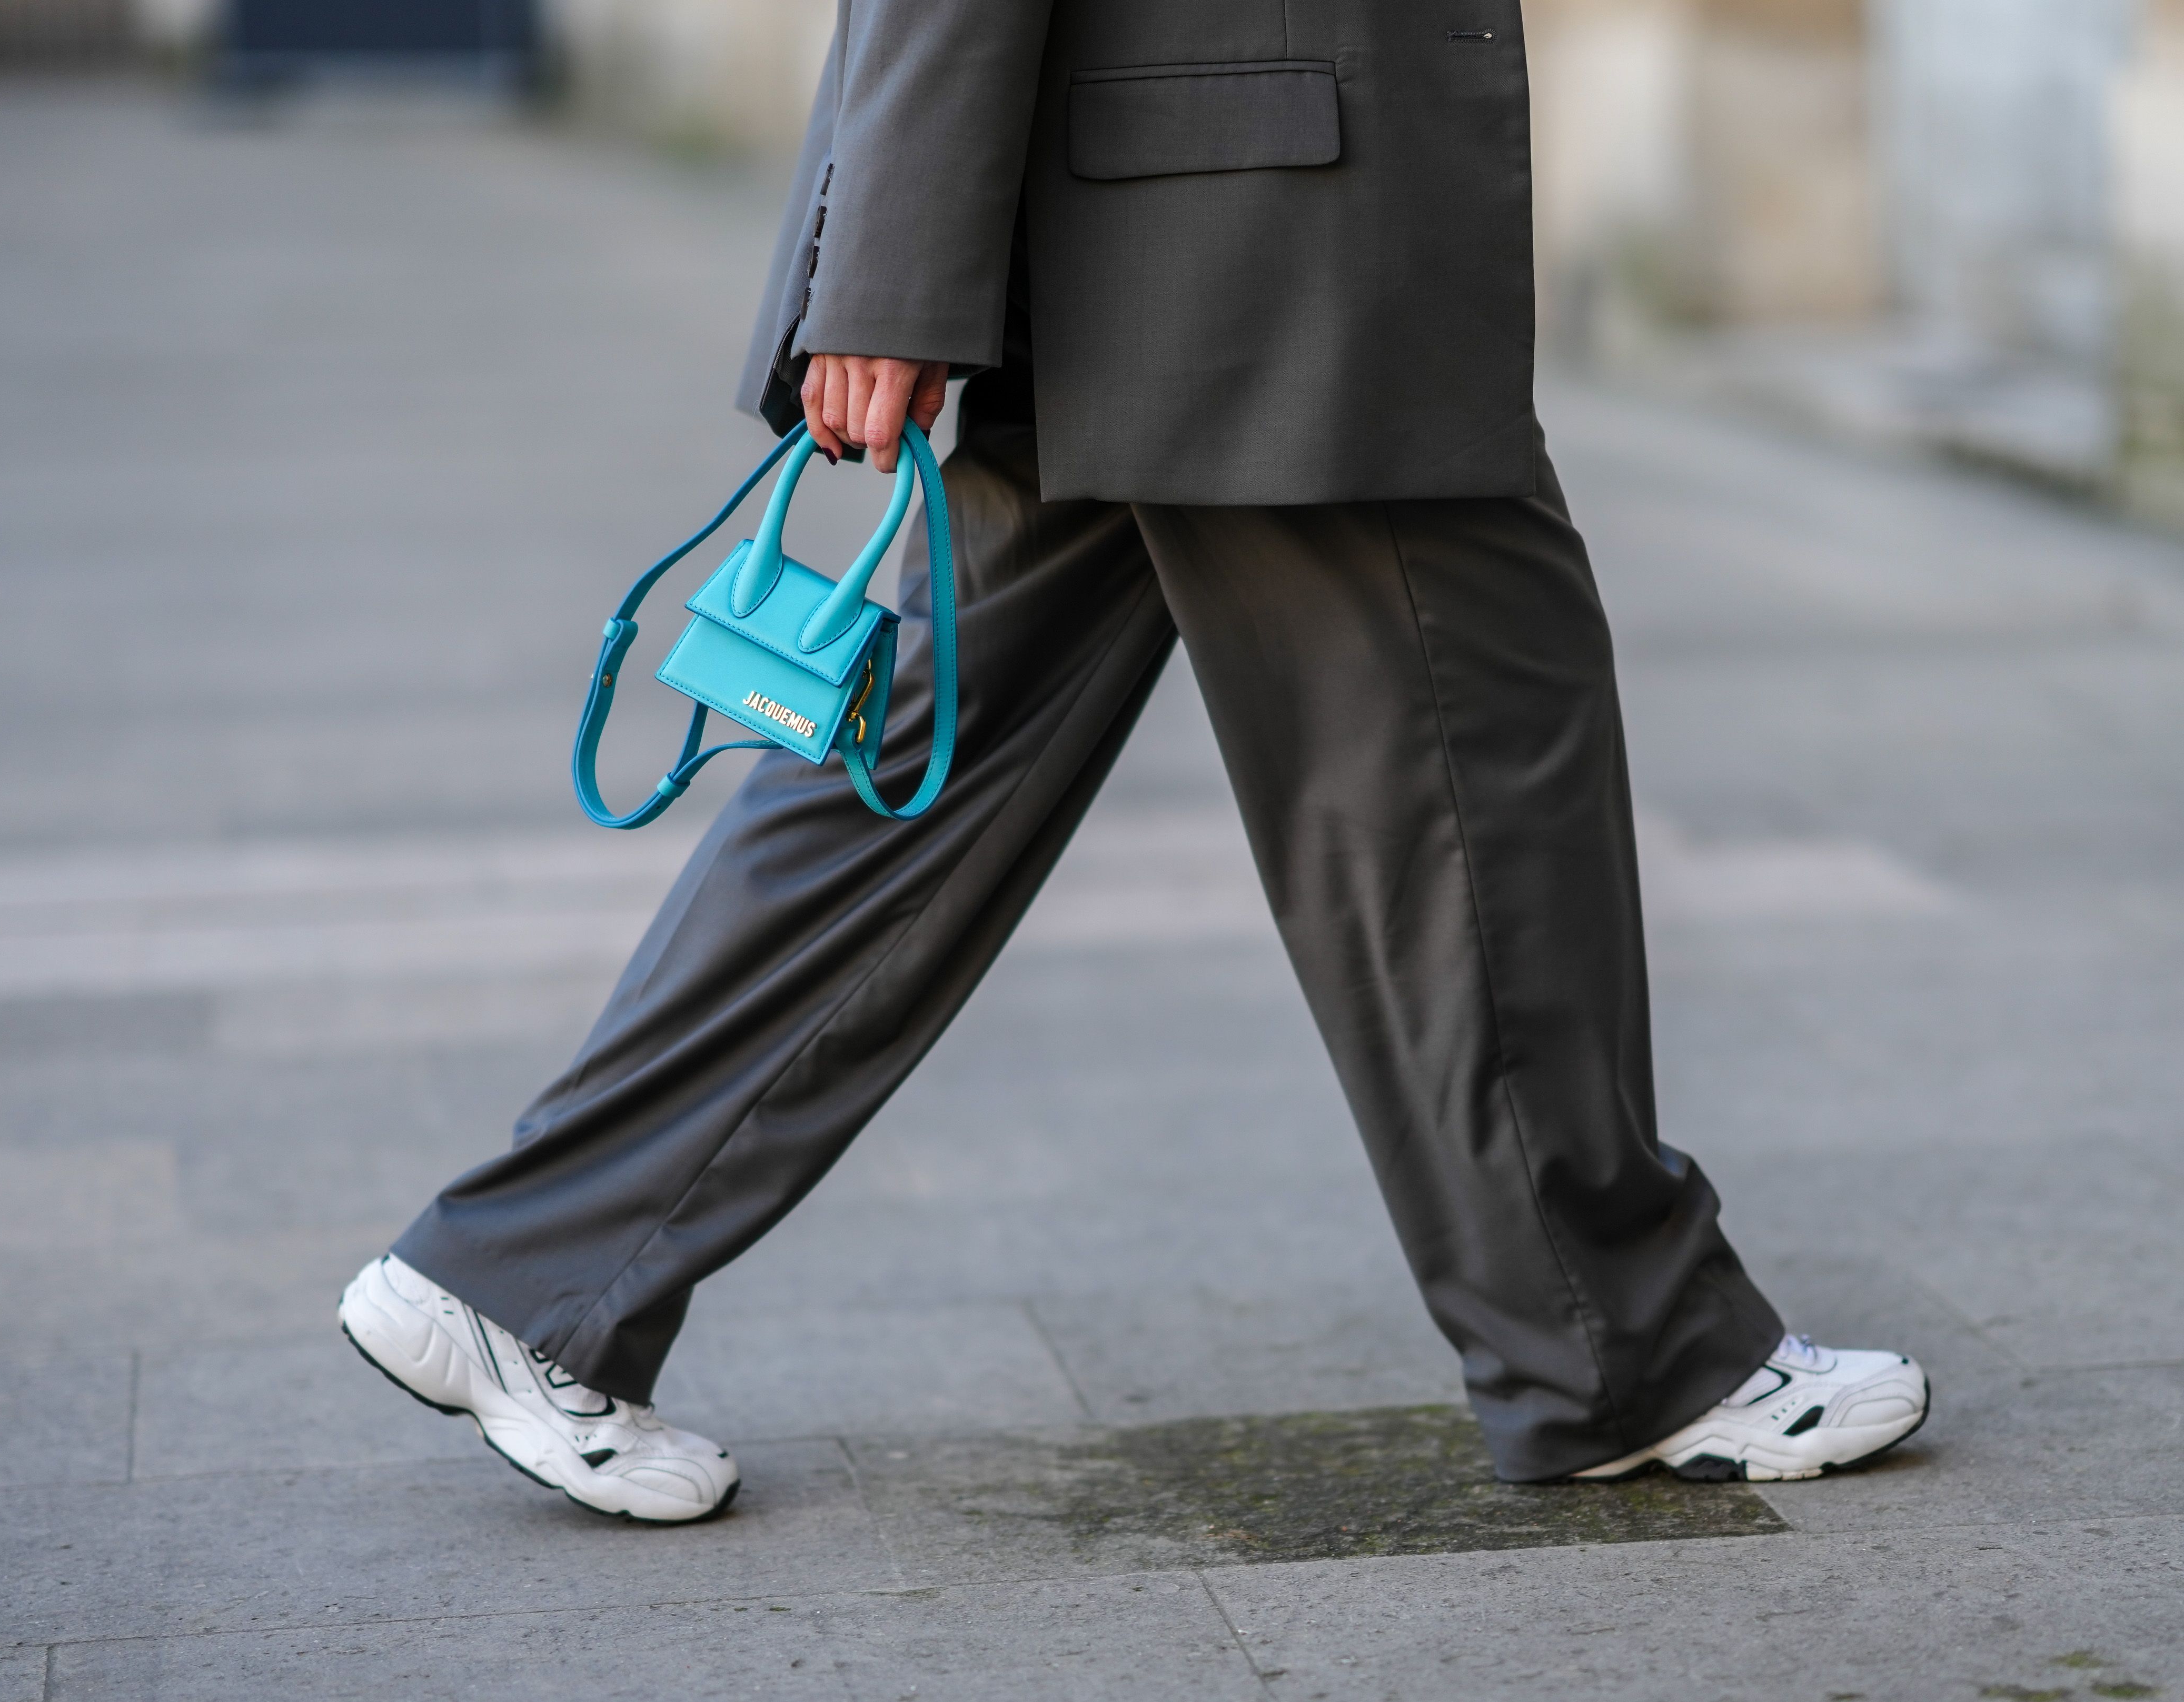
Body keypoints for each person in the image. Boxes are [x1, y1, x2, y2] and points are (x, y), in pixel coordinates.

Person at [337, 1, 1928, 1524]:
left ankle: (513, 1278)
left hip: (1182, 205)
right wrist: (884, 270)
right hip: (1255, 235)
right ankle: (1622, 1351)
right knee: (1475, 757)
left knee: (919, 780)